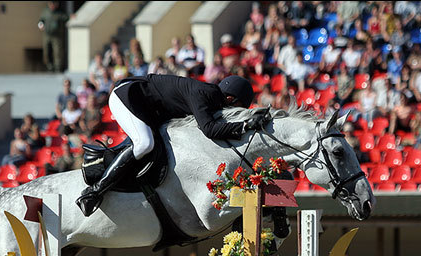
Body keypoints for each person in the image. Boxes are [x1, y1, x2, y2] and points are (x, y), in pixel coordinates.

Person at [76, 74, 259, 216]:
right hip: (128, 96)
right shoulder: (206, 93)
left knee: (153, 143)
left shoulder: (210, 95)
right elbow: (209, 129)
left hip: (145, 105)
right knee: (145, 144)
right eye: (238, 107)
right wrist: (244, 125)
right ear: (230, 99)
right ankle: (93, 192)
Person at [38, 1, 69, 72]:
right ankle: (49, 67)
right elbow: (41, 21)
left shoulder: (59, 12)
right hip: (47, 35)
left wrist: (71, 16)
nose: (52, 5)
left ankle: (58, 68)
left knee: (57, 52)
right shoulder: (45, 11)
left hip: (56, 35)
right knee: (47, 51)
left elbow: (66, 18)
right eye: (51, 4)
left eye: (54, 4)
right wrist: (40, 25)